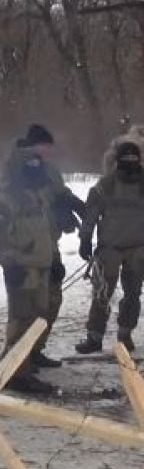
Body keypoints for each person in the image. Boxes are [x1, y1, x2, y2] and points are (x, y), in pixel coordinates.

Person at [11, 124, 86, 368]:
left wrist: (72, 204)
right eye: (44, 147)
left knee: (52, 299)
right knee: (31, 304)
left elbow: (57, 192)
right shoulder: (20, 168)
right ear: (33, 146)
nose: (48, 152)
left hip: (49, 242)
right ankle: (19, 359)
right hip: (29, 247)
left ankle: (35, 348)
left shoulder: (48, 169)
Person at [0, 146, 58, 393]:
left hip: (41, 266)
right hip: (21, 267)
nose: (35, 168)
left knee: (38, 318)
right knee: (21, 320)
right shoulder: (4, 198)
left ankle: (22, 366)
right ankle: (16, 374)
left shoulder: (38, 195)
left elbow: (44, 231)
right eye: (29, 164)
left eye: (37, 164)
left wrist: (55, 260)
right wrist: (9, 263)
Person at [74, 141, 144, 354]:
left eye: (134, 159)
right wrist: (85, 238)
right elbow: (91, 214)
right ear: (117, 161)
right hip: (109, 249)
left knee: (133, 294)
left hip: (138, 248)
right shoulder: (105, 185)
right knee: (102, 294)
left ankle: (125, 334)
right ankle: (94, 337)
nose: (130, 162)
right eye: (126, 159)